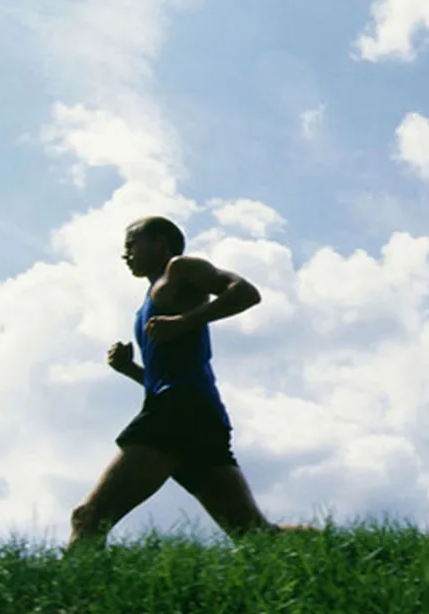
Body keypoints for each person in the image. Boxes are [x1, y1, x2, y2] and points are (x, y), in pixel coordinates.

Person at [67, 216, 314, 550]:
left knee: (90, 517)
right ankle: (360, 553)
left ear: (159, 243)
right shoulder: (148, 302)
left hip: (179, 410)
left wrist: (183, 323)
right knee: (255, 536)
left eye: (131, 245)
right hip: (197, 415)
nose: (125, 255)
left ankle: (66, 601)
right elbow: (165, 380)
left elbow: (246, 293)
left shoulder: (181, 269)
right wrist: (129, 369)